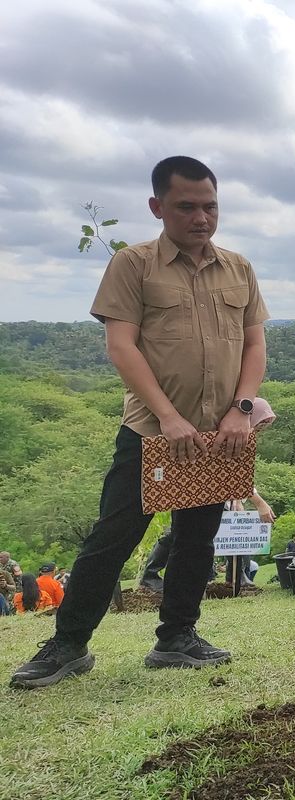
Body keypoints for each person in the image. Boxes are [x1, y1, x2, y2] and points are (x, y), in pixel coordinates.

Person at [10, 156, 268, 689]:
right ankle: (68, 644)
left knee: (198, 537)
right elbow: (121, 346)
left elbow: (255, 343)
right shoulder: (134, 265)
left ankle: (177, 636)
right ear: (158, 207)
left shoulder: (239, 268)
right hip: (152, 431)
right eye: (187, 206)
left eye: (210, 206)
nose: (201, 217)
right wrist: (169, 418)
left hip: (219, 435)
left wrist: (241, 408)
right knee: (114, 536)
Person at [140, 399, 276, 592]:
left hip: (215, 493)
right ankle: (152, 574)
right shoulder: (223, 434)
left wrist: (236, 498)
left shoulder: (241, 436)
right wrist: (259, 503)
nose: (260, 428)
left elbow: (236, 473)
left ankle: (235, 574)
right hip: (194, 487)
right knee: (180, 532)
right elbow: (230, 472)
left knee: (232, 531)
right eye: (260, 423)